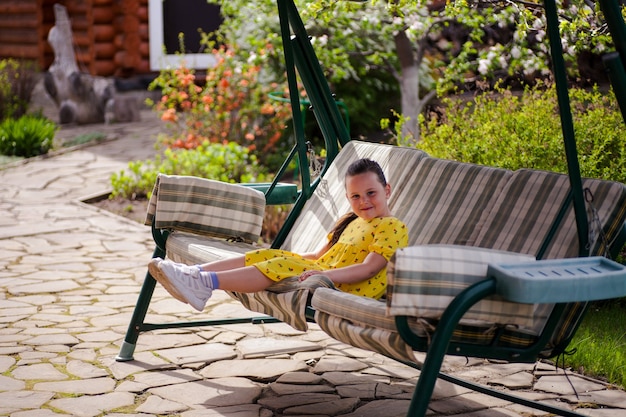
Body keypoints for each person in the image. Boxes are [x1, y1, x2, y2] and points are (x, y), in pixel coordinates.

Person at [148, 158, 409, 311]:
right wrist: (286, 257)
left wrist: (323, 274)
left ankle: (205, 283)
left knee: (278, 263)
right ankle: (195, 275)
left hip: (348, 287)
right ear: (347, 198)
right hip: (324, 272)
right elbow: (318, 255)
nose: (363, 201)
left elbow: (368, 269)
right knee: (270, 255)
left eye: (371, 193)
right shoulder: (352, 221)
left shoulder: (391, 226)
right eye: (355, 196)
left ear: (387, 190)